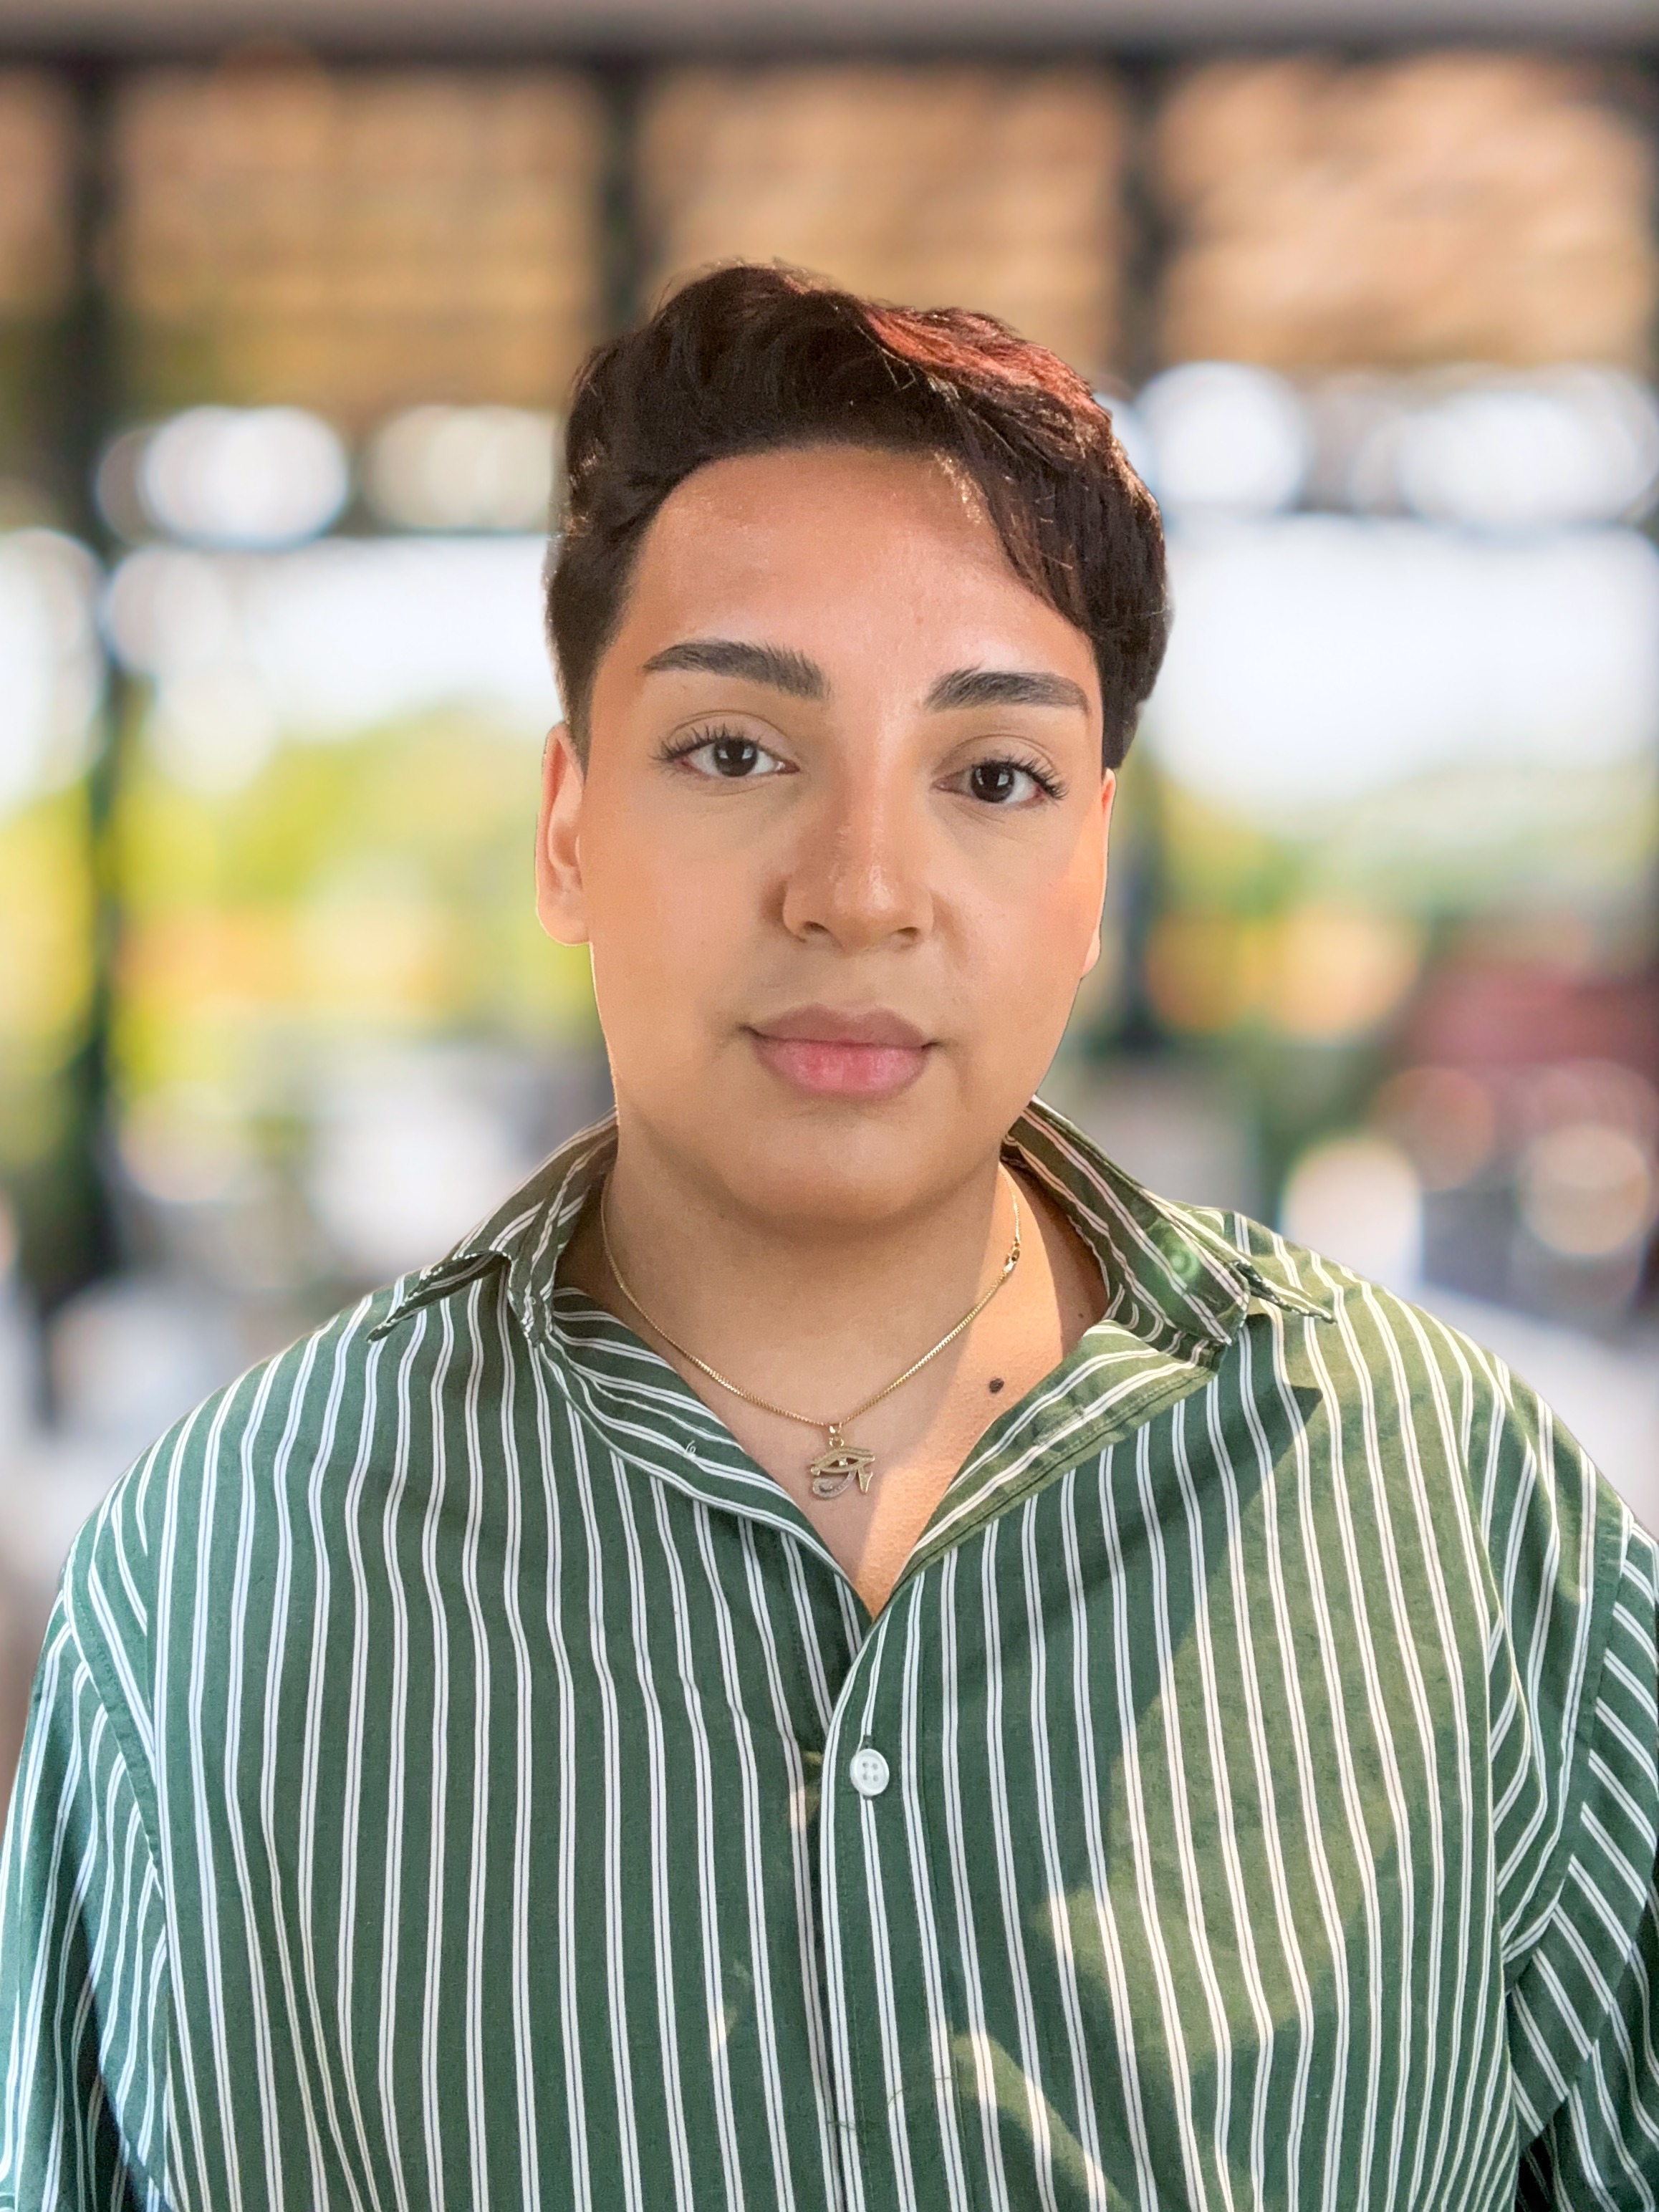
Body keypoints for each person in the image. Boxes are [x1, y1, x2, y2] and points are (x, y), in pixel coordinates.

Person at [1, 264, 1655, 2212]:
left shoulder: (1459, 1512)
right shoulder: (220, 1578)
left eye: (991, 777)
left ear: (1090, 868)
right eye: (732, 750)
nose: (861, 889)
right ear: (564, 827)